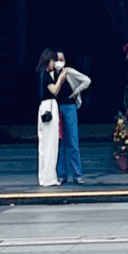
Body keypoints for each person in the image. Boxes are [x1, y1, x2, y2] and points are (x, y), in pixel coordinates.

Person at [53, 54, 91, 184]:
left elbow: (87, 80)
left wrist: (76, 92)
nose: (59, 62)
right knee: (60, 144)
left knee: (73, 142)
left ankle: (77, 174)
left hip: (69, 107)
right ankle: (61, 175)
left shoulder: (68, 71)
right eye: (57, 59)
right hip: (56, 108)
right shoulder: (51, 74)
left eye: (61, 59)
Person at [34, 49, 62, 188]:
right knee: (51, 143)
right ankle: (50, 177)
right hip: (50, 106)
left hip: (42, 107)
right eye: (53, 61)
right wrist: (61, 78)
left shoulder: (40, 74)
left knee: (44, 144)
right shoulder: (46, 76)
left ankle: (44, 177)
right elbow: (54, 90)